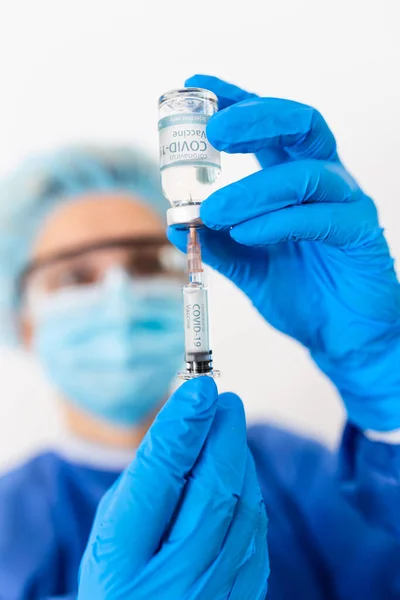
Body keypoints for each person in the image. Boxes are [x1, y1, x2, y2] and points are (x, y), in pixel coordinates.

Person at [0, 74, 400, 599]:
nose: (119, 294)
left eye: (146, 262)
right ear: (25, 322)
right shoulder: (10, 529)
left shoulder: (287, 470)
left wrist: (389, 394)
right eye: (76, 277)